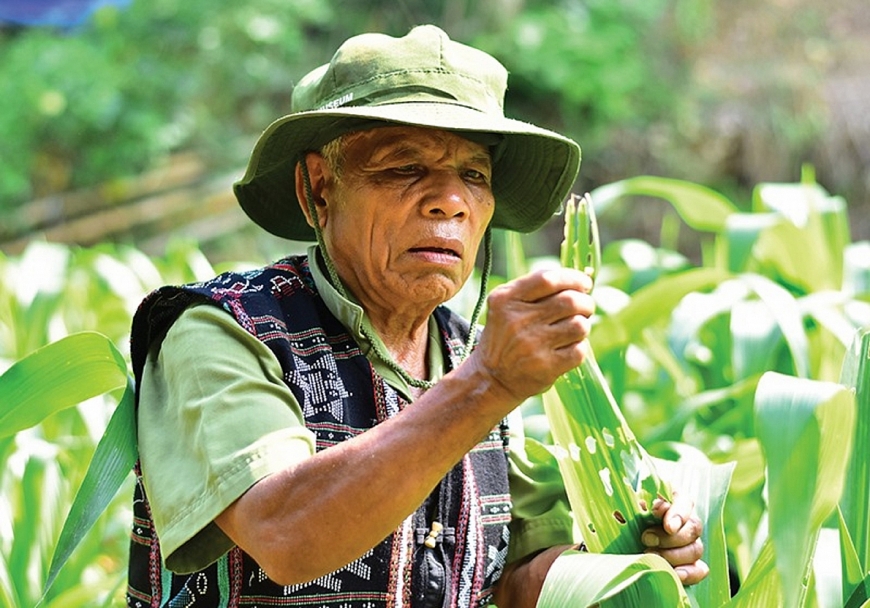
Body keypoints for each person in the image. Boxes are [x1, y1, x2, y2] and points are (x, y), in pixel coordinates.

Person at [126, 24, 707, 608]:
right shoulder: (219, 331)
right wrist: (486, 383)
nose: (449, 200)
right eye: (404, 166)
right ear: (319, 190)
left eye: (474, 176)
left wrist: (627, 556)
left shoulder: (469, 352)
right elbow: (283, 535)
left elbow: (513, 584)